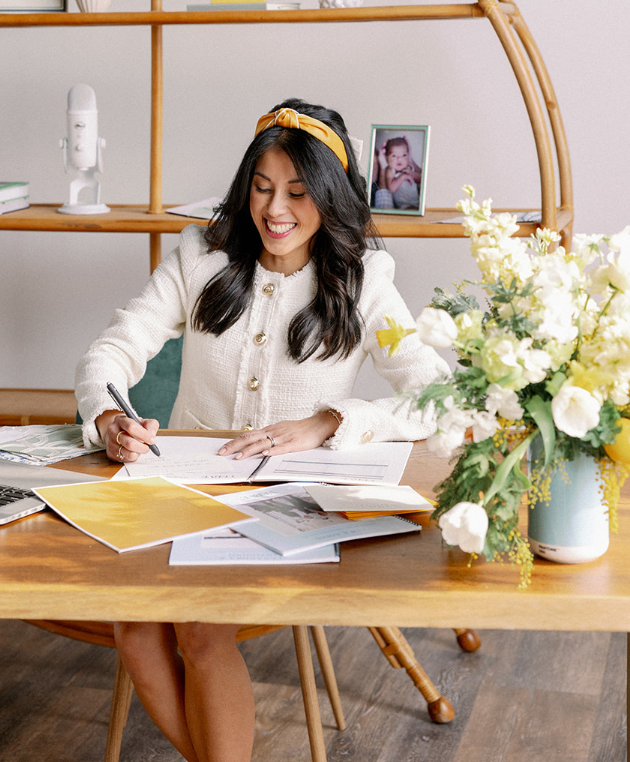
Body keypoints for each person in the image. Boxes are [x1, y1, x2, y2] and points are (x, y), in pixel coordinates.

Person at [75, 98, 448, 762]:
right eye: (262, 187)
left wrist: (333, 420)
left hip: (290, 506)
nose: (276, 209)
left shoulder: (364, 283)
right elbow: (112, 351)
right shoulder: (200, 256)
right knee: (132, 622)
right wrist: (107, 414)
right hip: (179, 493)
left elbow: (436, 394)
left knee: (198, 629)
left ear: (330, 199)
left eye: (299, 193)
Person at [373, 136, 422, 210]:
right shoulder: (391, 171)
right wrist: (403, 177)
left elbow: (421, 180)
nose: (399, 159)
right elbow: (392, 189)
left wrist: (413, 174)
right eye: (394, 156)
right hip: (404, 206)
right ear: (387, 158)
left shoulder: (409, 167)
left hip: (417, 203)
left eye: (404, 155)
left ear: (408, 156)